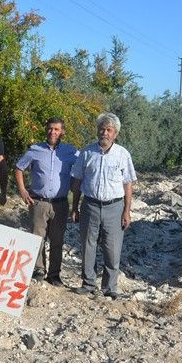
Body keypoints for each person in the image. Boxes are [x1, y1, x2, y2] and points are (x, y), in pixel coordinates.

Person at [70, 113, 137, 300]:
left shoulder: (123, 154)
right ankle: (88, 283)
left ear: (115, 133)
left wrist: (127, 211)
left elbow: (128, 184)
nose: (104, 133)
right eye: (102, 129)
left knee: (112, 248)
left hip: (114, 207)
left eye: (109, 130)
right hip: (90, 205)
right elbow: (77, 181)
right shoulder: (86, 153)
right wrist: (74, 207)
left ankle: (109, 287)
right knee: (87, 246)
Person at [14, 117, 79, 286]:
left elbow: (83, 168)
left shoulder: (71, 152)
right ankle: (38, 271)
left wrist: (77, 186)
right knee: (37, 239)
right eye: (50, 129)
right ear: (46, 129)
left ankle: (54, 274)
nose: (53, 132)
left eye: (57, 129)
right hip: (38, 202)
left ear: (62, 132)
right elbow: (19, 168)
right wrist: (22, 190)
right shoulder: (35, 150)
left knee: (57, 240)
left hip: (61, 203)